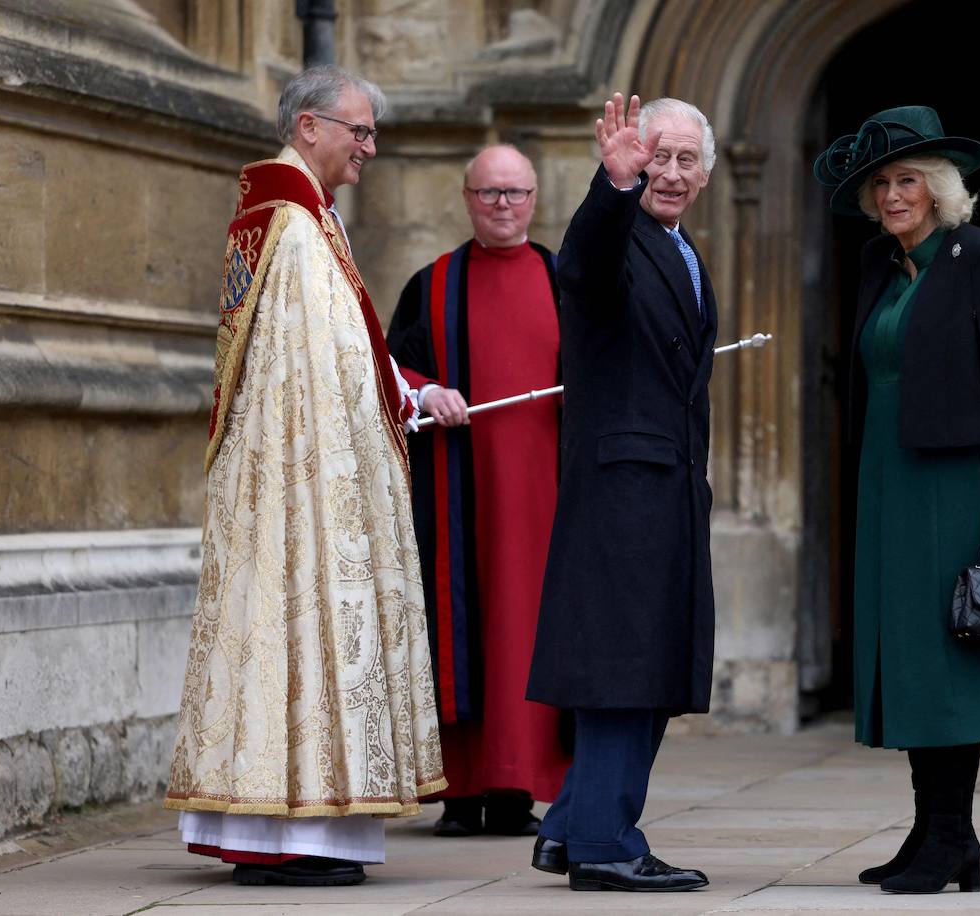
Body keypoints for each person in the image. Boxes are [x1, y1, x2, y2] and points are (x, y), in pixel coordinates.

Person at [164, 65, 446, 887]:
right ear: (310, 126)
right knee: (298, 627)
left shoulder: (309, 215)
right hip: (302, 482)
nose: (370, 148)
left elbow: (347, 348)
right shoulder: (286, 219)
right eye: (358, 131)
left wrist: (407, 392)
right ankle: (287, 836)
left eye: (372, 133)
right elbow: (301, 372)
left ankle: (296, 832)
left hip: (316, 472)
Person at [812, 107, 980, 895]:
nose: (893, 195)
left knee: (949, 660)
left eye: (908, 179)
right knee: (910, 658)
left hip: (957, 482)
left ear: (942, 189)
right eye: (882, 183)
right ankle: (936, 831)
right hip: (890, 478)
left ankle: (951, 835)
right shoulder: (881, 267)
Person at [523, 93, 717, 893]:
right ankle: (605, 842)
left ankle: (571, 826)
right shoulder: (620, 234)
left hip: (664, 489)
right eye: (656, 157)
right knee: (623, 667)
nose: (668, 174)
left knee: (647, 661)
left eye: (684, 160)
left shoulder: (680, 245)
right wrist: (610, 188)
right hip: (624, 492)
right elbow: (584, 266)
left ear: (706, 173)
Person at [386, 144, 570, 839]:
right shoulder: (431, 286)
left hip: (546, 499)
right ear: (466, 198)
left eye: (515, 192)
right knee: (459, 626)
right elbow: (388, 368)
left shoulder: (567, 280)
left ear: (534, 199)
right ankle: (460, 792)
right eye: (489, 193)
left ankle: (518, 790)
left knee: (529, 631)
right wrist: (429, 390)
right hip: (456, 497)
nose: (502, 205)